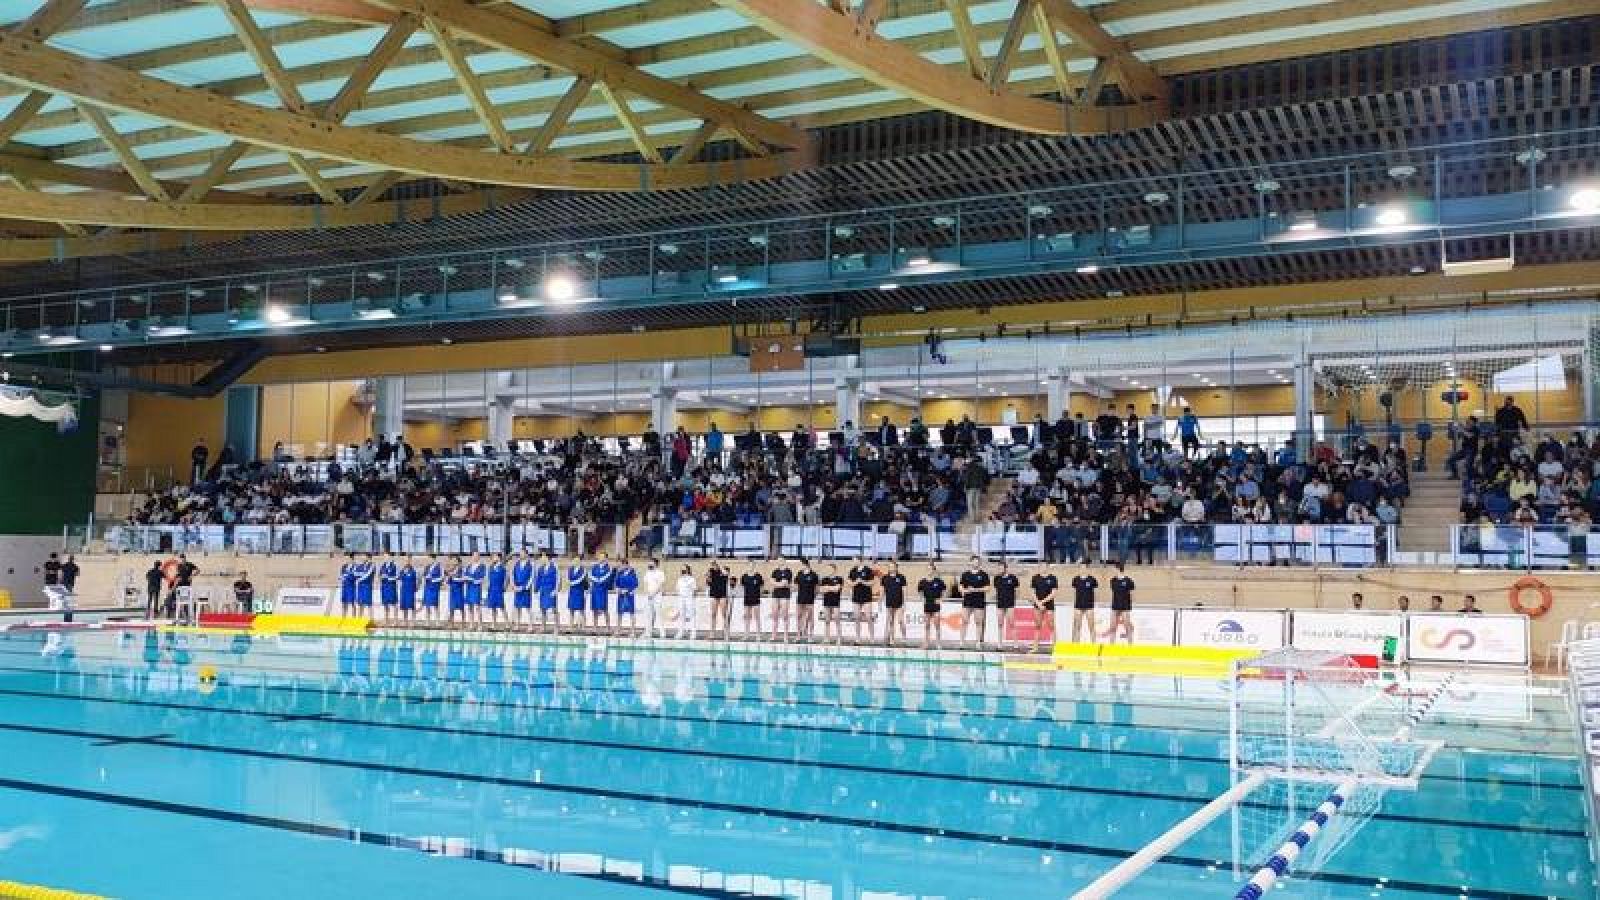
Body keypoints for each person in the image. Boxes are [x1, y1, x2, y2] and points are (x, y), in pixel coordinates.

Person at [958, 556, 990, 647]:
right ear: (971, 562)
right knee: (964, 621)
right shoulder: (965, 574)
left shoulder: (984, 575)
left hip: (979, 601)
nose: (976, 563)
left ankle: (978, 642)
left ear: (979, 563)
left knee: (978, 622)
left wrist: (975, 589)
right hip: (967, 601)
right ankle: (961, 641)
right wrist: (964, 591)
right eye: (974, 562)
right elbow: (960, 587)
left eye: (977, 562)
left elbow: (987, 588)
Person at [1029, 565, 1059, 653]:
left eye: (1045, 566)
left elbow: (1053, 594)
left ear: (1047, 567)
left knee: (1051, 626)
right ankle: (1035, 647)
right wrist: (1038, 603)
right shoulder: (1035, 578)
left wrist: (1042, 602)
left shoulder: (1053, 578)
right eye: (1041, 566)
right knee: (1037, 626)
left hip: (1049, 605)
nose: (1043, 568)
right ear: (1039, 567)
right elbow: (1032, 592)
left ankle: (1055, 648)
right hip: (1037, 605)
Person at [918, 565, 948, 649]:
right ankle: (926, 643)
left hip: (936, 606)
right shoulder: (922, 582)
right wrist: (922, 598)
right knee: (927, 625)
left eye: (931, 569)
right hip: (927, 605)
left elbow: (945, 591)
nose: (929, 571)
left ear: (934, 571)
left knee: (937, 625)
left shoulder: (939, 581)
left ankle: (938, 643)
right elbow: (920, 592)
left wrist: (941, 599)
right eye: (928, 569)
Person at [1069, 561, 1099, 644]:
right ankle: (1077, 646)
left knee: (1091, 627)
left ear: (1087, 569)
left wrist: (1093, 605)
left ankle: (1094, 646)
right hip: (1078, 606)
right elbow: (1074, 593)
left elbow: (1095, 593)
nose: (1083, 569)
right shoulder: (1075, 579)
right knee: (1077, 627)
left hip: (1089, 607)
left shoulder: (1092, 579)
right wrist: (1074, 606)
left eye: (1084, 567)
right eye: (1081, 567)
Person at [848, 557, 876, 643]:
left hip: (866, 597)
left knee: (868, 617)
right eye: (853, 560)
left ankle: (872, 637)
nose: (854, 562)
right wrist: (856, 582)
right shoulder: (853, 571)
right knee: (857, 618)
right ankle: (858, 637)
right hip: (856, 597)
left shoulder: (868, 570)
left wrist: (862, 582)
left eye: (855, 560)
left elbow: (872, 582)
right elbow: (849, 583)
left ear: (860, 561)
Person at [992, 562, 1020, 648]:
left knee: (1012, 623)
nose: (1000, 570)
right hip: (1000, 604)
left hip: (1010, 604)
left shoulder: (1013, 578)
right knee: (1000, 624)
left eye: (1001, 568)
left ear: (1006, 568)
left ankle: (1015, 644)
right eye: (999, 568)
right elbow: (996, 590)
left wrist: (1014, 599)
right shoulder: (996, 578)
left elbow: (1017, 590)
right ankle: (1000, 644)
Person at [880, 562, 908, 646]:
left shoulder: (901, 577)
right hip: (889, 602)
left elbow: (904, 591)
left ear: (896, 567)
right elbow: (882, 591)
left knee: (900, 620)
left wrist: (905, 603)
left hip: (899, 602)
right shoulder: (884, 578)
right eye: (890, 566)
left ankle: (904, 637)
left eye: (893, 566)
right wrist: (880, 601)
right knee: (891, 621)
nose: (891, 568)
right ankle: (892, 639)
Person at [1108, 562, 1135, 644]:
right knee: (1112, 628)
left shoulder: (1128, 581)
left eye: (1114, 569)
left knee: (1127, 628)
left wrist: (1129, 606)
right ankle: (1111, 647)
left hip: (1125, 607)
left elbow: (1132, 594)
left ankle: (1130, 647)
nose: (1113, 571)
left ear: (1118, 569)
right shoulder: (1112, 580)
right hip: (1115, 607)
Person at [533, 550, 559, 632]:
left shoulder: (554, 567)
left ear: (547, 557)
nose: (541, 558)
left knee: (554, 609)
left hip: (551, 590)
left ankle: (556, 627)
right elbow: (538, 580)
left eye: (543, 556)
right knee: (543, 609)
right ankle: (543, 627)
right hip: (543, 591)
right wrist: (536, 590)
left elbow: (558, 579)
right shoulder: (540, 568)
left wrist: (556, 590)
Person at [588, 552, 614, 633]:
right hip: (595, 590)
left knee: (604, 609)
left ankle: (608, 627)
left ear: (606, 558)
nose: (600, 558)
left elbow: (608, 578)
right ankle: (595, 627)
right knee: (595, 609)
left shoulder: (608, 568)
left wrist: (600, 580)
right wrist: (594, 581)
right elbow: (590, 576)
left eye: (602, 557)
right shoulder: (594, 567)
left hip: (602, 590)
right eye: (599, 557)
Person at [819, 563, 845, 644]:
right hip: (826, 601)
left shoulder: (839, 579)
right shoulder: (824, 579)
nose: (827, 571)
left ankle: (839, 638)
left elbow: (837, 589)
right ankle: (827, 638)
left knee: (837, 620)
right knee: (827, 621)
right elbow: (821, 590)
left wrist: (827, 588)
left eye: (829, 569)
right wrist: (831, 588)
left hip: (835, 602)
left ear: (834, 570)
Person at [769, 560, 794, 642]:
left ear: (784, 561)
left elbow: (785, 583)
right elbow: (771, 582)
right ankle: (774, 635)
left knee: (785, 615)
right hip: (775, 594)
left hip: (785, 595)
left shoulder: (788, 571)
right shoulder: (775, 571)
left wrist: (776, 583)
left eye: (781, 560)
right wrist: (779, 584)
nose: (779, 562)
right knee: (775, 615)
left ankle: (786, 636)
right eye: (778, 560)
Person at [738, 562, 765, 639]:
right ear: (747, 566)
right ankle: (746, 634)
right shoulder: (744, 576)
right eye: (749, 565)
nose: (751, 567)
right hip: (747, 599)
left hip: (756, 599)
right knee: (747, 617)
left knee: (757, 617)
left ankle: (758, 634)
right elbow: (742, 586)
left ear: (754, 566)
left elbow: (762, 586)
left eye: (752, 565)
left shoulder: (758, 576)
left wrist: (760, 594)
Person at [794, 560, 819, 642]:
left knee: (810, 617)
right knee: (799, 616)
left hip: (810, 598)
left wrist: (814, 596)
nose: (801, 566)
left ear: (806, 565)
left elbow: (817, 588)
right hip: (800, 597)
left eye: (802, 564)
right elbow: (796, 585)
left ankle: (810, 636)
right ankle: (798, 635)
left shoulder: (814, 574)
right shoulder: (799, 574)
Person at [642, 558, 666, 639]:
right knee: (649, 615)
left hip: (657, 596)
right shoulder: (647, 573)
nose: (649, 564)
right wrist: (648, 593)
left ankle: (662, 633)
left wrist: (653, 594)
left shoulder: (660, 573)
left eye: (651, 563)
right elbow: (645, 584)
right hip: (648, 596)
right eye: (649, 563)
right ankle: (648, 632)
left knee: (659, 614)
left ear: (656, 564)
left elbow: (660, 585)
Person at [614, 559, 639, 636]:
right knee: (619, 613)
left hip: (630, 596)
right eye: (622, 565)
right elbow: (616, 584)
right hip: (621, 595)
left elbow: (636, 584)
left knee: (632, 613)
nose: (623, 566)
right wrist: (619, 590)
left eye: (625, 564)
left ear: (628, 565)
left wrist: (630, 591)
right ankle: (618, 630)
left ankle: (633, 631)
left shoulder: (633, 573)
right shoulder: (619, 573)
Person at [706, 561, 730, 640]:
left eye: (714, 564)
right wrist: (708, 577)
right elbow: (708, 582)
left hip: (722, 594)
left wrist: (719, 566)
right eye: (712, 564)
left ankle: (726, 632)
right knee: (713, 614)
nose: (713, 566)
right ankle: (712, 633)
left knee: (724, 614)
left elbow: (726, 574)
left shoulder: (725, 569)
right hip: (714, 593)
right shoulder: (711, 571)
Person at [674, 565, 698, 640]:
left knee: (691, 615)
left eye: (684, 569)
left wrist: (691, 597)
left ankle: (693, 633)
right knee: (682, 615)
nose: (682, 570)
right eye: (682, 569)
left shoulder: (692, 579)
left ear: (687, 570)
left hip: (689, 599)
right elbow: (677, 589)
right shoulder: (679, 579)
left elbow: (694, 589)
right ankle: (681, 632)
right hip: (681, 598)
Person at [510, 550, 534, 628]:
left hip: (526, 588)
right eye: (520, 553)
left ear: (526, 554)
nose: (521, 555)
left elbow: (532, 576)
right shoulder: (516, 564)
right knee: (517, 607)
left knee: (528, 607)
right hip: (517, 588)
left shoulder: (530, 564)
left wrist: (525, 587)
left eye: (522, 553)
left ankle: (530, 625)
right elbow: (512, 575)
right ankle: (517, 624)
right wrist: (513, 585)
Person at [484, 552, 507, 627]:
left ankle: (507, 624)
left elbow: (507, 578)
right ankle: (494, 624)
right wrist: (487, 585)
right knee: (493, 607)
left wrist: (505, 586)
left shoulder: (503, 567)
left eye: (495, 556)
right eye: (493, 556)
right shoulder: (490, 567)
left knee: (502, 607)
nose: (493, 558)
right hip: (491, 588)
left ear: (499, 558)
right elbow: (488, 577)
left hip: (499, 588)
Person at [566, 555, 589, 630]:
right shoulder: (570, 570)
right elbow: (567, 579)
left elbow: (584, 582)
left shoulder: (583, 570)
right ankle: (571, 626)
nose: (576, 562)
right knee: (571, 610)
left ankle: (583, 627)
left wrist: (586, 592)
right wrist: (569, 583)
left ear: (580, 561)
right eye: (574, 560)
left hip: (580, 591)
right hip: (572, 591)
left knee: (581, 610)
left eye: (577, 561)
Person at [463, 552, 486, 625]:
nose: (475, 557)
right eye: (473, 556)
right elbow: (465, 575)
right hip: (469, 587)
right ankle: (471, 623)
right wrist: (466, 578)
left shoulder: (482, 566)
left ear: (479, 557)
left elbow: (482, 578)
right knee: (470, 606)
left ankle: (480, 624)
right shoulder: (469, 566)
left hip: (476, 588)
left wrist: (474, 580)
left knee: (477, 606)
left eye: (477, 556)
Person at [422, 555, 444, 623]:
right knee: (427, 605)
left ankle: (437, 621)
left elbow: (442, 577)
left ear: (434, 559)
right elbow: (424, 576)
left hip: (434, 588)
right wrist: (425, 578)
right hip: (427, 587)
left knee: (435, 605)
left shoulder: (439, 566)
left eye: (429, 559)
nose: (428, 561)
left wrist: (434, 580)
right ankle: (427, 621)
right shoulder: (427, 567)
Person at [378, 553, 399, 623]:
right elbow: (379, 576)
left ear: (390, 557)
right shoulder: (383, 566)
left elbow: (397, 576)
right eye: (384, 557)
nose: (385, 558)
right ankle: (386, 619)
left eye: (386, 557)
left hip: (391, 587)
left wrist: (389, 578)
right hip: (384, 587)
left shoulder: (394, 566)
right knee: (385, 604)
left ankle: (395, 620)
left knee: (394, 604)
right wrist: (381, 577)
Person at [353, 552, 376, 618]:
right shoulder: (360, 565)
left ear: (367, 557)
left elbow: (367, 574)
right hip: (360, 587)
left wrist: (359, 578)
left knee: (369, 604)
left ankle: (371, 620)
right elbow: (355, 573)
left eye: (363, 556)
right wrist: (360, 575)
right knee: (360, 604)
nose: (362, 557)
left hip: (367, 586)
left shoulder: (372, 565)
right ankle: (360, 619)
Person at [446, 555, 466, 625]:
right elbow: (448, 581)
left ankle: (463, 622)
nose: (454, 562)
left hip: (459, 590)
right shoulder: (451, 569)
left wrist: (454, 577)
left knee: (461, 607)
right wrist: (449, 577)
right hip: (453, 590)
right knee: (452, 607)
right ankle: (451, 622)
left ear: (458, 561)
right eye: (453, 561)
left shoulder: (462, 569)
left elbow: (463, 579)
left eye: (455, 561)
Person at [398, 555, 418, 623]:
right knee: (404, 606)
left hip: (411, 590)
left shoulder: (413, 570)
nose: (407, 561)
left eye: (409, 560)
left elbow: (416, 580)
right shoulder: (402, 570)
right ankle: (405, 620)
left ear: (411, 561)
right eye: (406, 560)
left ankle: (413, 620)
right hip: (404, 589)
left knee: (412, 605)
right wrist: (404, 572)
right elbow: (399, 578)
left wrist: (415, 588)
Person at [339, 553, 357, 617]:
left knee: (352, 603)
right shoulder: (344, 566)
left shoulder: (355, 566)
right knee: (344, 603)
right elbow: (341, 575)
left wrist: (346, 576)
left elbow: (354, 576)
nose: (346, 559)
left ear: (351, 558)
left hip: (351, 587)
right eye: (345, 558)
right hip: (344, 586)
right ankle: (343, 618)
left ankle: (353, 619)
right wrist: (341, 577)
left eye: (347, 558)